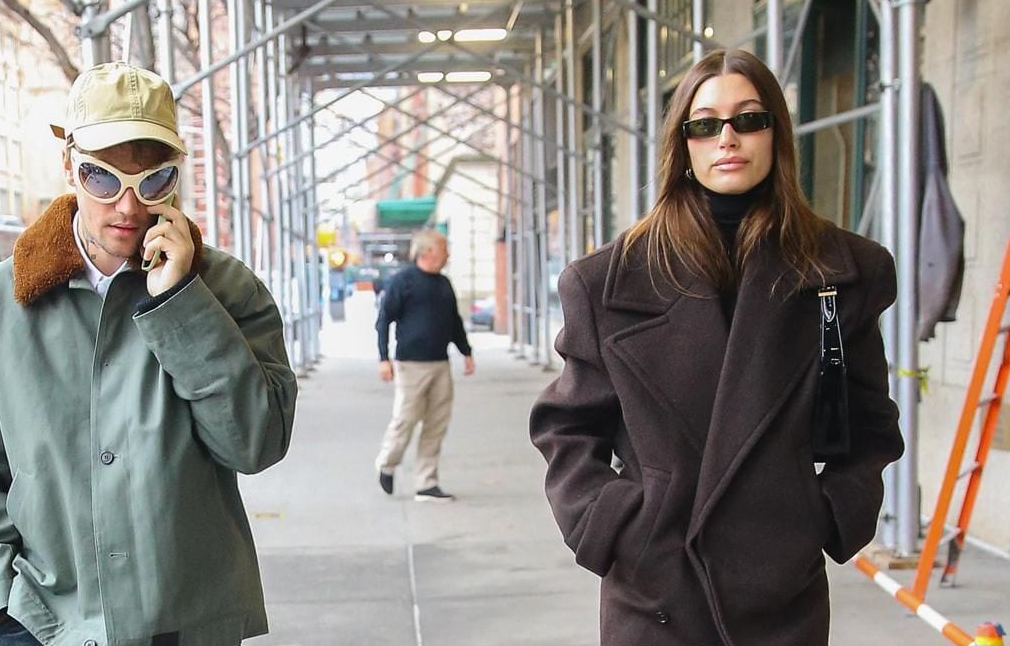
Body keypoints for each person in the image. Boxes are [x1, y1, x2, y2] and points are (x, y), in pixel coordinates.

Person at [530, 49, 904, 646]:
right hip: (655, 589)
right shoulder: (607, 282)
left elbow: (870, 420)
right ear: (684, 144)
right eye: (705, 124)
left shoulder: (842, 271)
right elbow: (566, 426)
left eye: (749, 119)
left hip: (779, 583)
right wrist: (613, 525)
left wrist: (828, 514)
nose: (727, 138)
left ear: (776, 133)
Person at [0, 62, 297, 646]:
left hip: (187, 621)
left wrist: (181, 303)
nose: (127, 207)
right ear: (69, 167)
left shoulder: (226, 290)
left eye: (153, 182)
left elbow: (255, 444)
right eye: (102, 179)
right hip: (48, 624)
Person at [375, 230, 475, 502]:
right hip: (410, 364)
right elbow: (384, 319)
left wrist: (466, 352)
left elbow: (454, 322)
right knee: (406, 419)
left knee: (436, 423)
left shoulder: (444, 284)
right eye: (444, 248)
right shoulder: (402, 282)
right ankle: (387, 461)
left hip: (440, 363)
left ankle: (426, 482)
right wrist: (383, 358)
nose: (448, 254)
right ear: (428, 252)